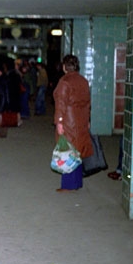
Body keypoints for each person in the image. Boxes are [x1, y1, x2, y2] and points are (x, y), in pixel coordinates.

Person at [53, 55, 93, 192]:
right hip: (81, 118)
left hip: (69, 120)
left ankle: (68, 185)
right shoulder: (83, 81)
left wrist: (59, 122)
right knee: (78, 150)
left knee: (67, 152)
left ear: (65, 67)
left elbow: (61, 104)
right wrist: (87, 120)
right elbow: (88, 103)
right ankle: (77, 182)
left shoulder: (65, 81)